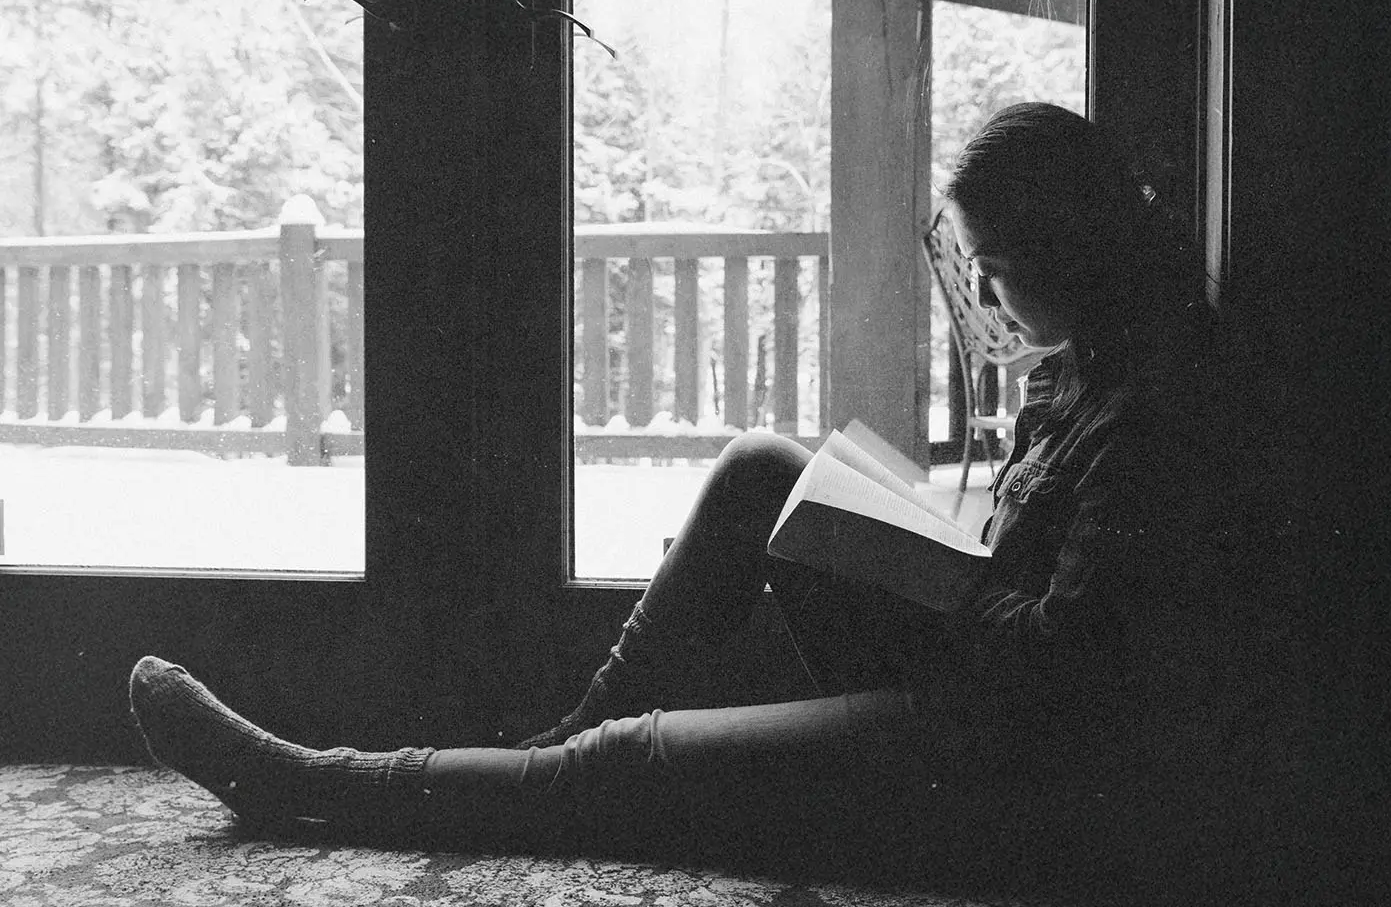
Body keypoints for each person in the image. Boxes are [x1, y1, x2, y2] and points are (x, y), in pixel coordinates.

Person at [129, 102, 1254, 883]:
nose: (993, 304)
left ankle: (311, 784)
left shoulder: (1156, 410)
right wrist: (918, 559)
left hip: (1017, 773)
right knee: (765, 467)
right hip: (979, 690)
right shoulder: (1090, 364)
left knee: (630, 768)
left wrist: (932, 592)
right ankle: (557, 743)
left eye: (998, 271)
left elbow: (1076, 677)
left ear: (1064, 251)